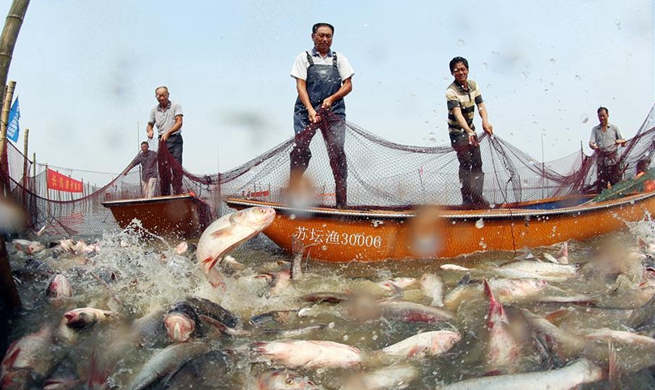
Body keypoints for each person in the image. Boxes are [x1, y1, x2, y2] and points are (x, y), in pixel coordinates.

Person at [288, 22, 354, 209]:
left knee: (337, 153)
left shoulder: (339, 58)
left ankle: (342, 203)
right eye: (321, 35)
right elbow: (300, 85)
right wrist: (310, 109)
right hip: (305, 109)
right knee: (300, 148)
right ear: (313, 37)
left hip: (333, 110)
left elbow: (348, 85)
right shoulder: (304, 58)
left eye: (329, 36)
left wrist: (332, 98)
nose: (325, 39)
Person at [446, 56, 493, 208]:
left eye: (463, 69)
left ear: (467, 70)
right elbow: (458, 114)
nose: (460, 72)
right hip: (457, 132)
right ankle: (466, 199)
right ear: (452, 73)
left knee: (477, 162)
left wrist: (485, 121)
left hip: (470, 131)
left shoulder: (473, 85)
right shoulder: (451, 91)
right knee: (465, 162)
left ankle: (478, 197)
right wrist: (467, 130)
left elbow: (481, 106)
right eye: (457, 70)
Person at [147, 86, 184, 196]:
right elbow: (149, 125)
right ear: (156, 97)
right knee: (163, 171)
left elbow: (179, 122)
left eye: (163, 95)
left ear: (168, 94)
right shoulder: (154, 110)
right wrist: (150, 131)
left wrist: (168, 132)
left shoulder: (175, 106)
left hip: (175, 140)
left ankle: (178, 193)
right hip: (162, 142)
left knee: (176, 168)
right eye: (158, 96)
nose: (161, 97)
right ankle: (165, 196)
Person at [589, 106, 626, 192]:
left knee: (616, 187)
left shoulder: (614, 128)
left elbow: (624, 143)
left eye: (603, 115)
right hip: (601, 163)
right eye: (599, 116)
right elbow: (591, 143)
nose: (601, 118)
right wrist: (594, 147)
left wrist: (619, 141)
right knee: (602, 188)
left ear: (607, 115)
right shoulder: (595, 129)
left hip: (614, 162)